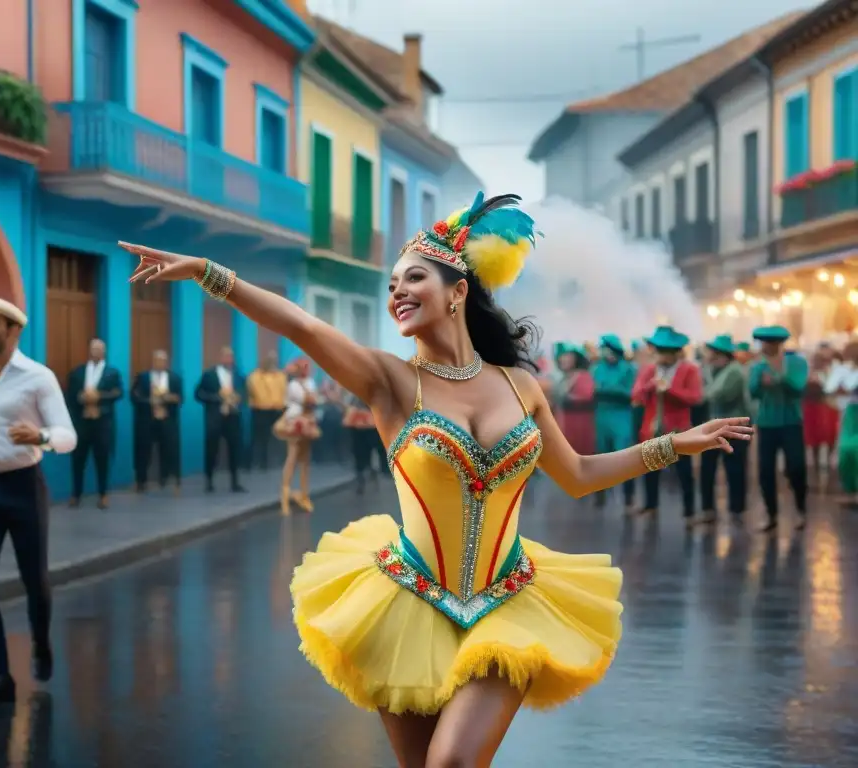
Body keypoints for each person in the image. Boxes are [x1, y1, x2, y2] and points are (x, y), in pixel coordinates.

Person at [120, 191, 750, 767]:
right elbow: (303, 327)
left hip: (509, 603)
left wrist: (673, 444)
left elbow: (579, 474)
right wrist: (210, 274)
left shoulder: (519, 385)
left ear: (457, 291)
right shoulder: (390, 381)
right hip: (407, 606)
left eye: (414, 277)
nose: (398, 291)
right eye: (392, 283)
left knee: (451, 764)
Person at [0, 297, 76, 717]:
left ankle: (40, 641)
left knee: (34, 580)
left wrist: (40, 436)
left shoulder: (38, 377)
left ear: (13, 330)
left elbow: (67, 436)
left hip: (24, 487)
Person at [632, 326, 703, 526]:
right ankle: (650, 506)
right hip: (653, 429)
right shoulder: (649, 371)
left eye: (665, 351)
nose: (661, 355)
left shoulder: (690, 370)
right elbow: (636, 395)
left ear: (675, 353)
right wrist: (651, 386)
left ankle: (689, 512)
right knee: (650, 471)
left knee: (684, 473)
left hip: (679, 430)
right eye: (659, 350)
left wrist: (670, 390)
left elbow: (695, 397)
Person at [749, 325, 808, 532]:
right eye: (764, 343)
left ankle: (800, 509)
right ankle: (771, 514)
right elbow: (753, 392)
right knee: (766, 471)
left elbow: (799, 388)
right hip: (766, 423)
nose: (766, 346)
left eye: (770, 343)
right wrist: (761, 383)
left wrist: (780, 377)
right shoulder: (758, 366)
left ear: (778, 344)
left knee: (796, 467)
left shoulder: (796, 363)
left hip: (791, 422)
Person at [699, 335, 750, 525]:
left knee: (735, 469)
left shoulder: (735, 372)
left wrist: (704, 391)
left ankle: (737, 509)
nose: (710, 357)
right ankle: (708, 508)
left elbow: (720, 396)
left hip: (734, 428)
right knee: (707, 468)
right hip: (714, 427)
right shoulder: (713, 371)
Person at [66, 339, 123, 509]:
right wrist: (80, 398)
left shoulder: (112, 373)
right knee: (78, 460)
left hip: (103, 423)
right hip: (82, 423)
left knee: (102, 460)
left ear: (104, 352)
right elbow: (70, 395)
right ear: (89, 351)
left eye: (99, 349)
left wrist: (99, 397)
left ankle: (103, 494)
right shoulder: (78, 372)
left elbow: (118, 393)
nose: (96, 352)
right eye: (93, 349)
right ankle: (76, 494)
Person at [591, 334, 637, 512]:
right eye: (604, 349)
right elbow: (592, 389)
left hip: (621, 415)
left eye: (608, 349)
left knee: (625, 456)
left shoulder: (627, 369)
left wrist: (607, 389)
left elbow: (631, 393)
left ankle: (628, 497)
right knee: (601, 455)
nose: (606, 353)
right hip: (602, 415)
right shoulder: (597, 368)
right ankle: (599, 492)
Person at [195, 346, 246, 493]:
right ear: (220, 358)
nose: (228, 360)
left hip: (233, 417)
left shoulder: (239, 376)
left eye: (231, 357)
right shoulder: (209, 375)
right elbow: (198, 394)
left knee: (235, 449)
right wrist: (216, 398)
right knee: (211, 449)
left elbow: (245, 394)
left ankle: (235, 482)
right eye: (226, 357)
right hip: (215, 418)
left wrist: (239, 399)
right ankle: (209, 481)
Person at [273, 358, 321, 514]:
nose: (308, 369)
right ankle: (284, 496)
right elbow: (308, 399)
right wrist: (314, 398)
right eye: (305, 367)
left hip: (307, 421)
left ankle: (304, 494)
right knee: (292, 458)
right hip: (294, 421)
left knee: (305, 460)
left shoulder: (310, 382)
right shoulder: (293, 385)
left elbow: (314, 400)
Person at [131, 349, 182, 493]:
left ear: (167, 362)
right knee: (143, 451)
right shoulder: (143, 377)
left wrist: (169, 398)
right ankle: (141, 481)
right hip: (147, 421)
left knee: (167, 449)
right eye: (158, 360)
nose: (161, 363)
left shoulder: (175, 378)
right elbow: (134, 396)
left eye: (163, 360)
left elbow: (180, 398)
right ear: (153, 362)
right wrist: (149, 401)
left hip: (167, 420)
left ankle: (165, 477)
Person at [826, 342, 858, 504]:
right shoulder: (845, 370)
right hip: (850, 413)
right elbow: (831, 388)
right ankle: (851, 490)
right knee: (845, 452)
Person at [802, 345, 838, 485]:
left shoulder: (829, 373)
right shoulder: (809, 374)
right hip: (813, 408)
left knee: (829, 435)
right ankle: (817, 463)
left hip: (826, 407)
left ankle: (828, 461)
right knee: (814, 437)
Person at [246, 351, 287, 471]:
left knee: (279, 437)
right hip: (260, 410)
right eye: (270, 360)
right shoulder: (255, 376)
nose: (272, 362)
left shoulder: (280, 376)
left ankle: (275, 462)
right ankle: (255, 463)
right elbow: (257, 392)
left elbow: (283, 392)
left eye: (274, 360)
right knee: (259, 438)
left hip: (277, 410)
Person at [552, 343, 595, 456]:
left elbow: (586, 396)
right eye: (562, 356)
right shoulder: (563, 377)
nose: (563, 359)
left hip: (578, 426)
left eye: (568, 356)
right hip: (563, 424)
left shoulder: (583, 376)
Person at [343, 391, 381, 495]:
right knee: (359, 451)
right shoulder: (353, 391)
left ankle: (366, 472)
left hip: (366, 422)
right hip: (359, 423)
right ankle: (363, 475)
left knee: (365, 450)